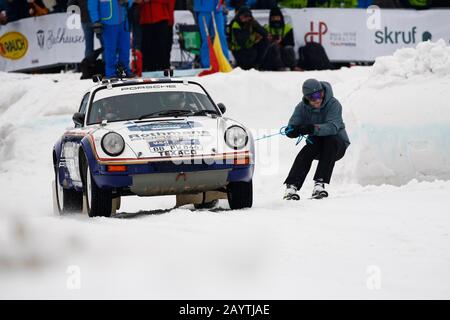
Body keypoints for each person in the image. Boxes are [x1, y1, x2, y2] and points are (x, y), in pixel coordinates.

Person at [283, 79, 350, 200]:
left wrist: (311, 128)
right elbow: (291, 126)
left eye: (319, 94)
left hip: (337, 145)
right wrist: (292, 131)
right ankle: (291, 186)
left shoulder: (334, 104)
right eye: (312, 97)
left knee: (329, 140)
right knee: (309, 147)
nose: (317, 99)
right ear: (306, 98)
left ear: (323, 92)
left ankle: (320, 184)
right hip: (317, 144)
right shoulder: (302, 108)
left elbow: (332, 127)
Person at [88, 0, 133, 78]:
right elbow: (92, 4)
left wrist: (128, 2)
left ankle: (124, 70)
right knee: (110, 50)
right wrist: (96, 20)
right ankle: (111, 73)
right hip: (107, 23)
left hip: (123, 21)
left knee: (125, 49)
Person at [194, 0, 230, 69]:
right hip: (203, 9)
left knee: (221, 37)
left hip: (217, 9)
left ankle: (225, 62)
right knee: (206, 39)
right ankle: (206, 65)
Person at [137, 0, 171, 72]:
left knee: (163, 45)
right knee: (147, 46)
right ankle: (148, 68)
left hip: (161, 18)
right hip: (146, 19)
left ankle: (164, 67)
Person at [264, 6, 296, 70]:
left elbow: (291, 43)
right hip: (272, 53)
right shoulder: (266, 28)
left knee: (289, 48)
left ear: (281, 18)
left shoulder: (288, 28)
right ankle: (279, 67)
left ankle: (293, 67)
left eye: (277, 17)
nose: (275, 19)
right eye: (273, 18)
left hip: (284, 50)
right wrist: (270, 40)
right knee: (274, 47)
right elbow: (263, 44)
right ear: (270, 18)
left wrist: (281, 40)